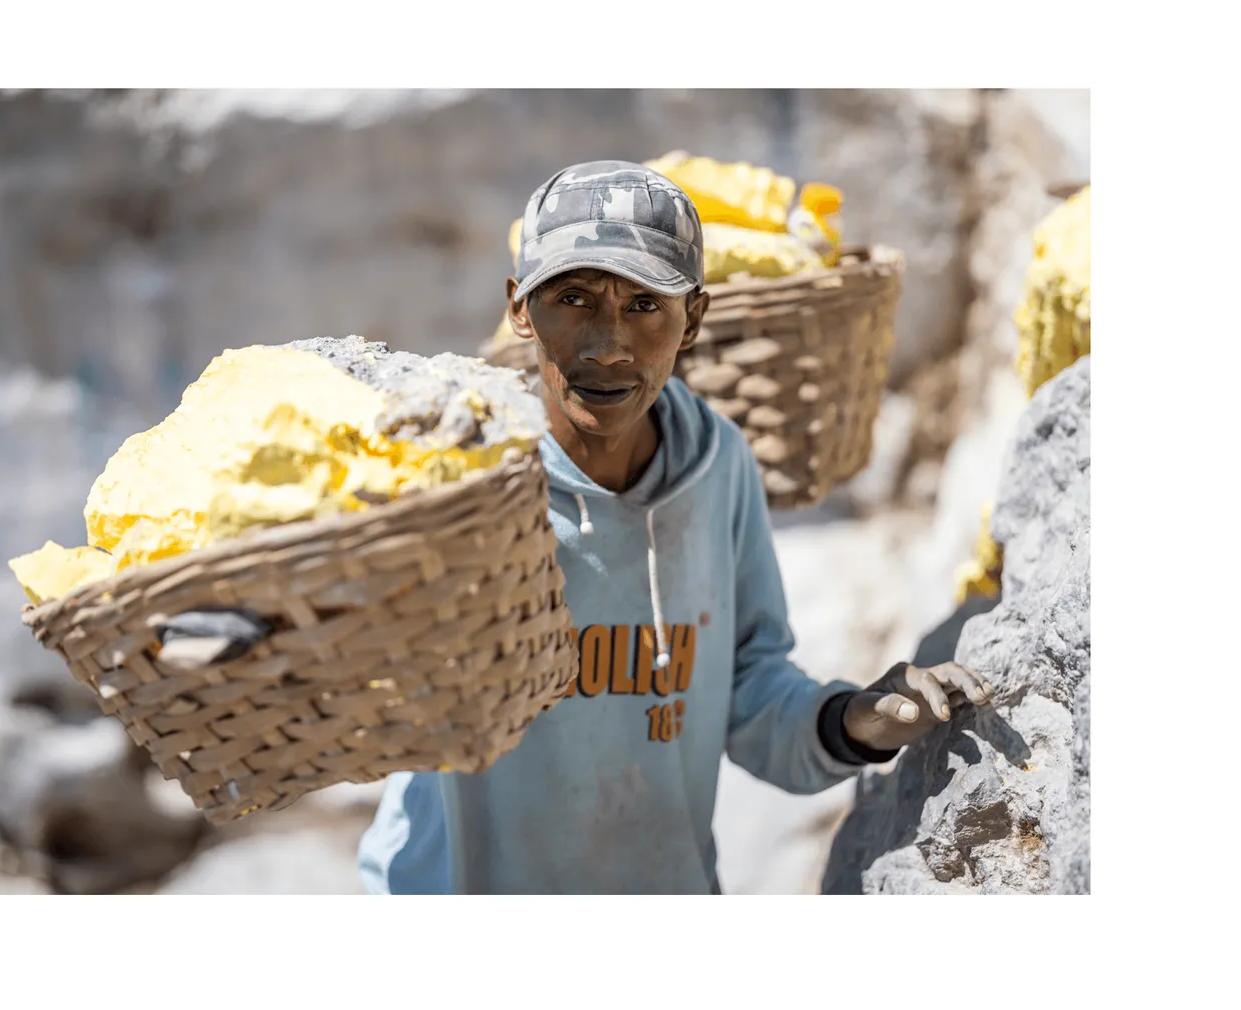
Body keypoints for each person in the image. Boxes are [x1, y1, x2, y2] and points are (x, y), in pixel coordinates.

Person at [167, 160, 996, 894]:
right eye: (574, 299)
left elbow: (749, 690)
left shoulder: (720, 467)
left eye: (644, 305)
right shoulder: (453, 481)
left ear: (694, 318)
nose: (607, 344)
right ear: (520, 310)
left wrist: (852, 720)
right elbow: (338, 649)